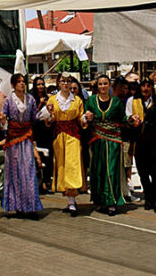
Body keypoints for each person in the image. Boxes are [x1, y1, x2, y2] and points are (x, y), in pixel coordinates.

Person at [0, 73, 43, 217]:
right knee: (15, 171)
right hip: (13, 139)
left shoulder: (30, 99)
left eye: (23, 81)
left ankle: (30, 206)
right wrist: (2, 120)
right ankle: (17, 205)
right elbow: (3, 119)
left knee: (29, 170)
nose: (22, 84)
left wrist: (46, 112)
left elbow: (35, 118)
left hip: (26, 137)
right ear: (13, 85)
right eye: (19, 82)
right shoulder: (8, 101)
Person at [84, 75, 127, 216]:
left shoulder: (116, 102)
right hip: (97, 140)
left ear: (109, 85)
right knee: (98, 170)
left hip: (113, 140)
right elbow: (85, 117)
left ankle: (112, 202)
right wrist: (87, 116)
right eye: (100, 84)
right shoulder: (91, 100)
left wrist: (132, 119)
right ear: (97, 86)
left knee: (112, 170)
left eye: (105, 83)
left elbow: (123, 118)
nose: (103, 86)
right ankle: (101, 200)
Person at [45, 72, 85, 216]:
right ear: (58, 83)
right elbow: (48, 121)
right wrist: (48, 115)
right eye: (63, 81)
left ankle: (72, 199)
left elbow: (81, 119)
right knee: (62, 165)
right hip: (59, 136)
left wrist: (86, 118)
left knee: (73, 165)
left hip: (73, 135)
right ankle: (69, 199)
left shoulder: (77, 100)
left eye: (68, 81)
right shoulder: (52, 100)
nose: (66, 84)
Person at [128, 79, 156, 213]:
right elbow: (127, 117)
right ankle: (148, 197)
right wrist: (133, 120)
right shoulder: (132, 101)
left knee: (155, 171)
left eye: (149, 86)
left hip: (153, 140)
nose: (146, 88)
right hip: (139, 139)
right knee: (142, 171)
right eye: (143, 86)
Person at [31, 76, 54, 194]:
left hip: (47, 129)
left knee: (49, 155)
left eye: (42, 84)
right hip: (37, 130)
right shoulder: (32, 99)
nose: (40, 87)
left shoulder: (47, 97)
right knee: (39, 155)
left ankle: (47, 181)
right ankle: (41, 183)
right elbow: (32, 116)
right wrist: (39, 105)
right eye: (38, 84)